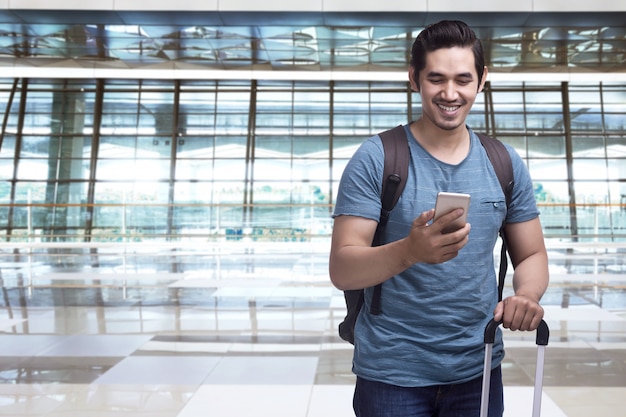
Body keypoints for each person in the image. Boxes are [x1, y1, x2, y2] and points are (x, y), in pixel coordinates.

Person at [329, 20, 549, 417]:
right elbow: (343, 268)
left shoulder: (504, 163)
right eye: (436, 79)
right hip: (391, 374)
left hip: (478, 366)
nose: (450, 94)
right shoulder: (377, 158)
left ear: (482, 80)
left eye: (463, 79)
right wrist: (410, 251)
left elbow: (531, 254)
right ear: (414, 79)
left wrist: (527, 295)